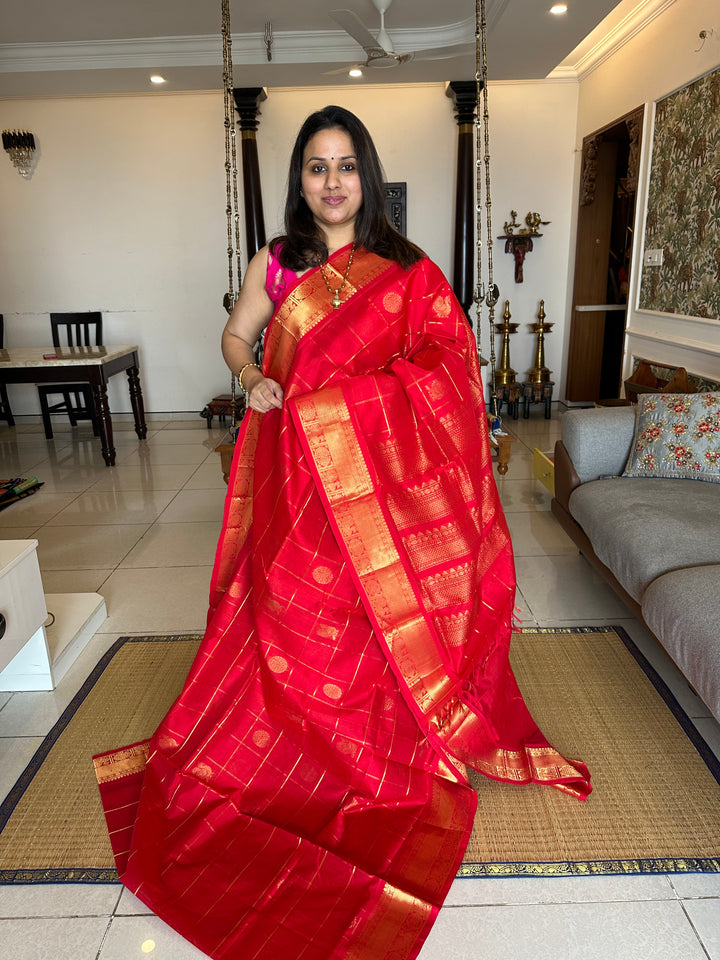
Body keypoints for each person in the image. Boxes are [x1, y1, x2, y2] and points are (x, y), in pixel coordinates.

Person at [95, 105, 590, 960]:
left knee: (375, 609)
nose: (332, 182)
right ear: (301, 180)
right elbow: (236, 335)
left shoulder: (405, 269)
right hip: (295, 473)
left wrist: (352, 406)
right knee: (294, 606)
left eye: (346, 166)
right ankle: (299, 735)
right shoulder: (280, 264)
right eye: (316, 168)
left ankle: (376, 737)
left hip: (381, 489)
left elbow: (449, 366)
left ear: (368, 173)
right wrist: (250, 376)